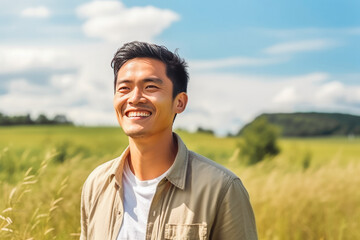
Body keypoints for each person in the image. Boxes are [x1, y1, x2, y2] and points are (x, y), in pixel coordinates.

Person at [80, 41, 258, 240]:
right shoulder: (97, 184)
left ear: (179, 102)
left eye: (150, 87)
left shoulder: (221, 188)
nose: (135, 98)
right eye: (124, 88)